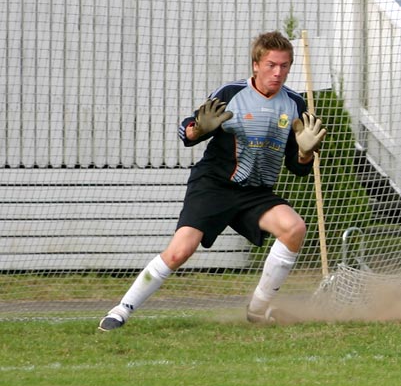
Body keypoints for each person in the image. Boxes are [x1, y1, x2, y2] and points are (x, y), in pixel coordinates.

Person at [98, 31, 327, 331]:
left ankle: (258, 310)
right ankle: (120, 310)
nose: (278, 72)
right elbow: (189, 132)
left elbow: (297, 168)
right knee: (181, 250)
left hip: (256, 193)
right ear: (256, 64)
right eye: (271, 64)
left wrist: (306, 153)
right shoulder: (232, 93)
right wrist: (197, 129)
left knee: (294, 228)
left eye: (284, 66)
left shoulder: (294, 104)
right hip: (214, 185)